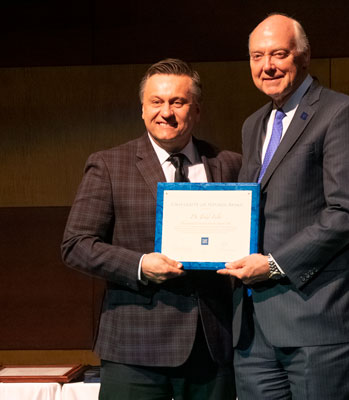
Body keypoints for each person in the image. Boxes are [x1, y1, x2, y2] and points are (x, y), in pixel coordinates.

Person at [62, 58, 241, 400]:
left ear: (197, 110)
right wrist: (141, 265)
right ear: (142, 110)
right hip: (135, 351)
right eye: (156, 102)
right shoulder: (109, 165)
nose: (166, 112)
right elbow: (76, 245)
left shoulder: (231, 164)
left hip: (213, 347)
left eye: (178, 102)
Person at [217, 14, 349, 399]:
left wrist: (272, 264)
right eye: (257, 56)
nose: (266, 66)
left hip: (318, 322)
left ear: (303, 57)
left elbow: (347, 210)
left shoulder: (340, 114)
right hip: (254, 329)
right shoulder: (254, 124)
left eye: (278, 54)